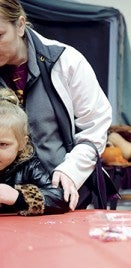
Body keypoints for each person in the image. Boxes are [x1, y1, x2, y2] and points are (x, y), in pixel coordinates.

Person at [0, 0, 112, 210]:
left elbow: (95, 126)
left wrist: (71, 170)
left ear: (21, 25)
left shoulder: (66, 61)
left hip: (63, 195)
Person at [0, 87, 70, 215]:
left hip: (20, 232)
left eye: (3, 144)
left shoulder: (29, 166)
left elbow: (60, 198)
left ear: (22, 143)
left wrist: (17, 197)